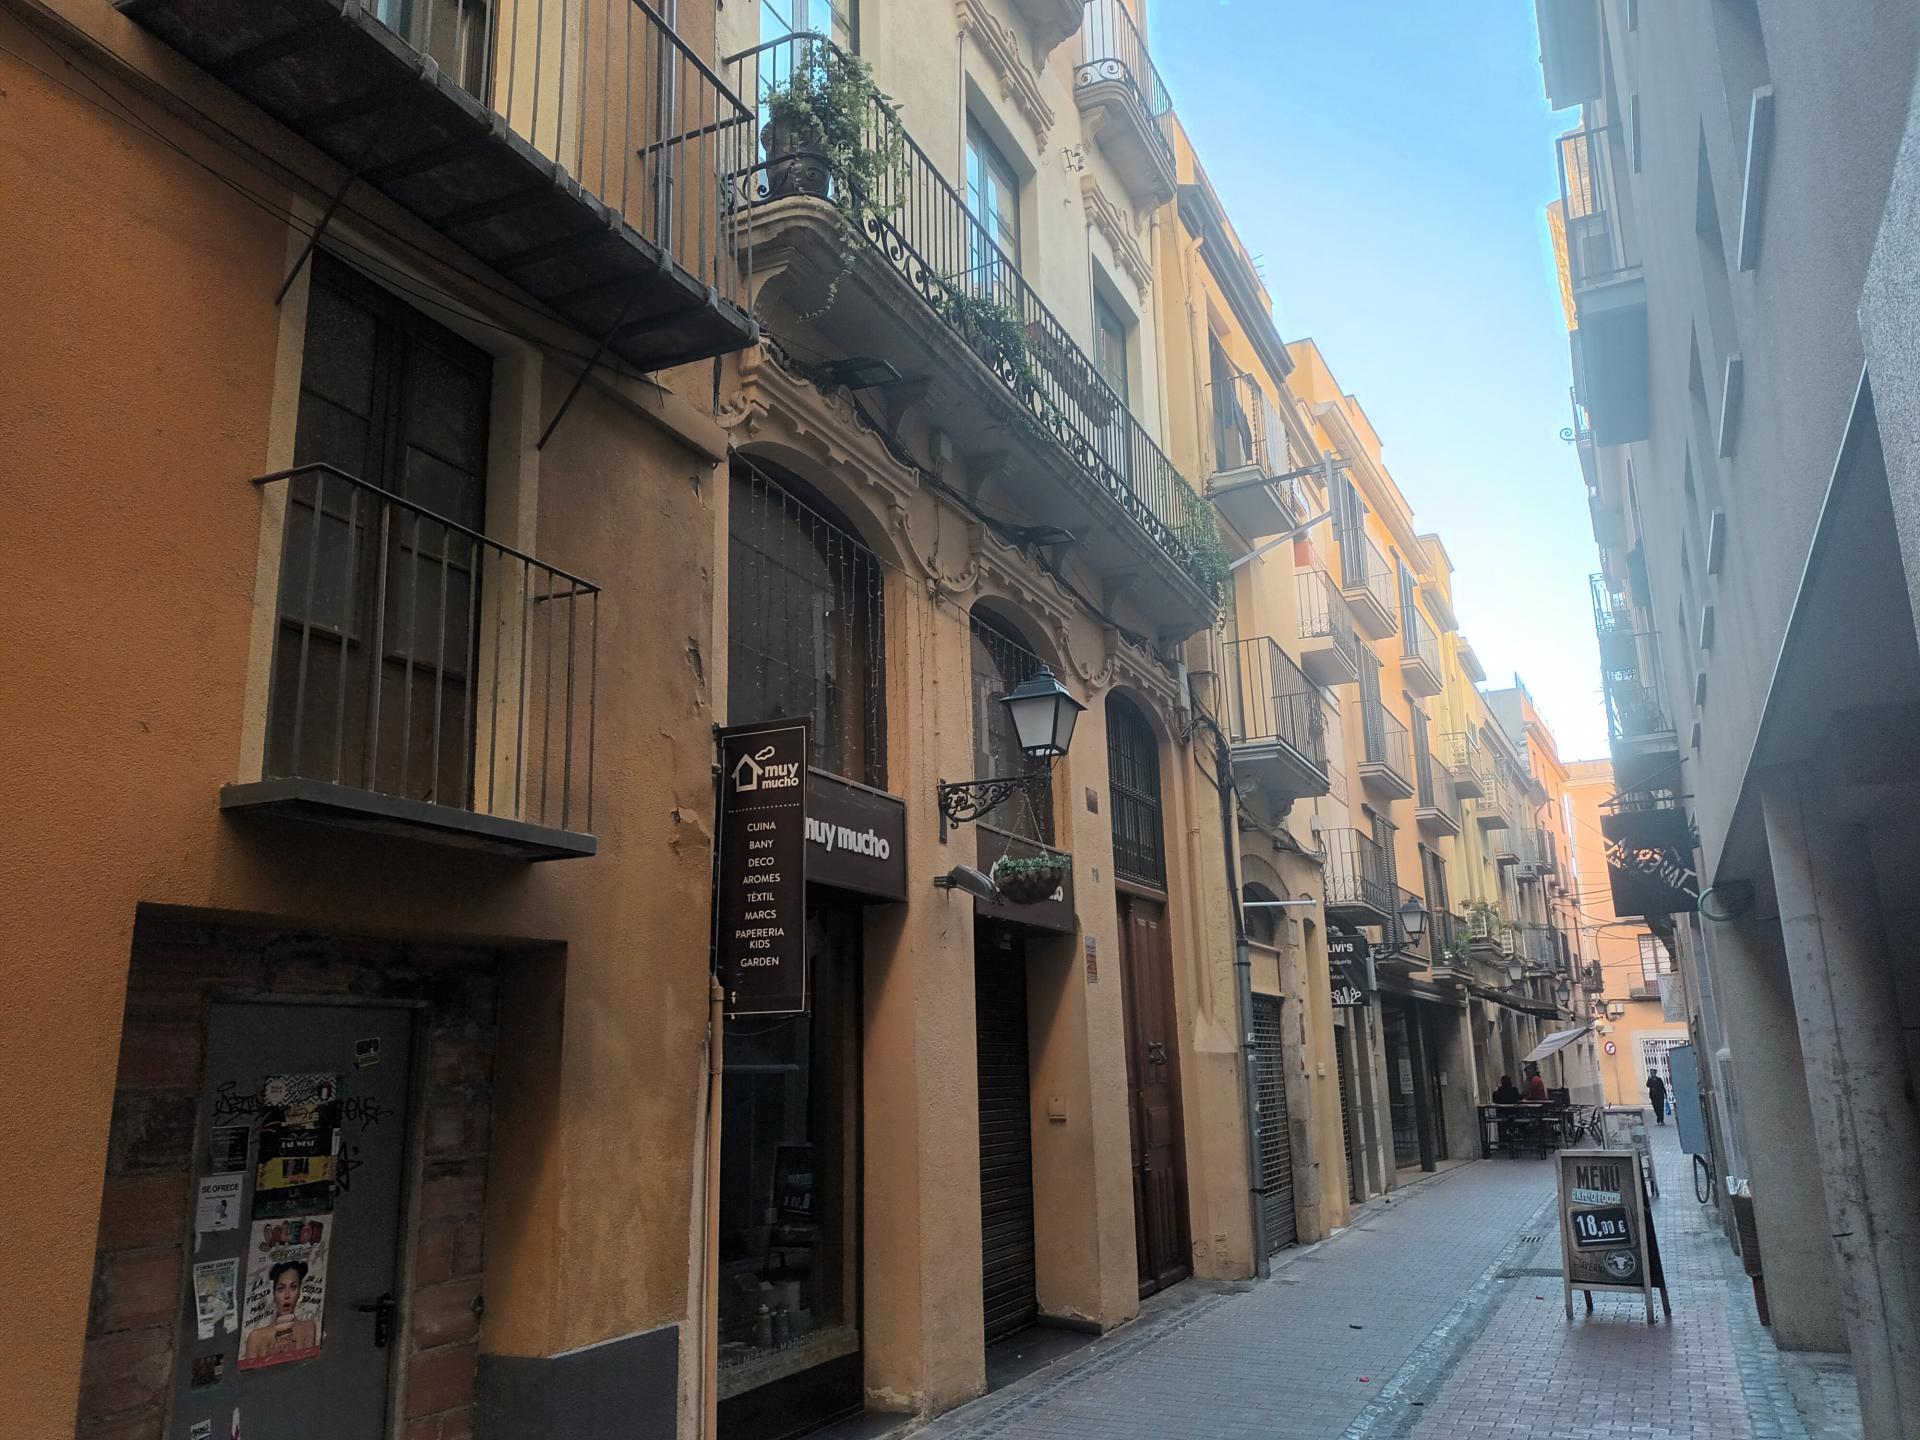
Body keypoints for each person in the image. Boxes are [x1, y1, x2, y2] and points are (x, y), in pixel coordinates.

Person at [241, 1259, 319, 1364]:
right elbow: (249, 1373)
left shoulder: (308, 1328)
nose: (287, 1295)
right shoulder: (256, 1337)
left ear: (299, 1291)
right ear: (273, 1294)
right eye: (280, 1289)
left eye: (293, 1287)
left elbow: (310, 1367)